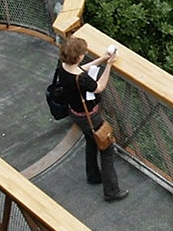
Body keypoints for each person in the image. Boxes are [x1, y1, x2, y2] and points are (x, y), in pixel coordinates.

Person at [51, 33, 126, 201]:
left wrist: (101, 59)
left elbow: (80, 70)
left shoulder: (63, 67)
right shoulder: (82, 79)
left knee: (91, 140)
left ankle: (93, 175)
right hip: (90, 117)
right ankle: (111, 191)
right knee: (106, 149)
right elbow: (99, 87)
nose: (84, 55)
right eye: (83, 53)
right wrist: (109, 66)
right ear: (77, 56)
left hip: (75, 113)